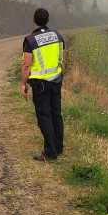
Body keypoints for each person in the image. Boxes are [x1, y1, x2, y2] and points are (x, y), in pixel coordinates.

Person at [20, 8, 65, 161]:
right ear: (47, 20)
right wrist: (61, 79)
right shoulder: (57, 36)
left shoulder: (30, 40)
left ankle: (50, 152)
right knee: (56, 115)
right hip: (56, 81)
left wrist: (23, 84)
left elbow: (26, 65)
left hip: (41, 85)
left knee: (44, 117)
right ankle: (58, 148)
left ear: (34, 19)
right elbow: (62, 61)